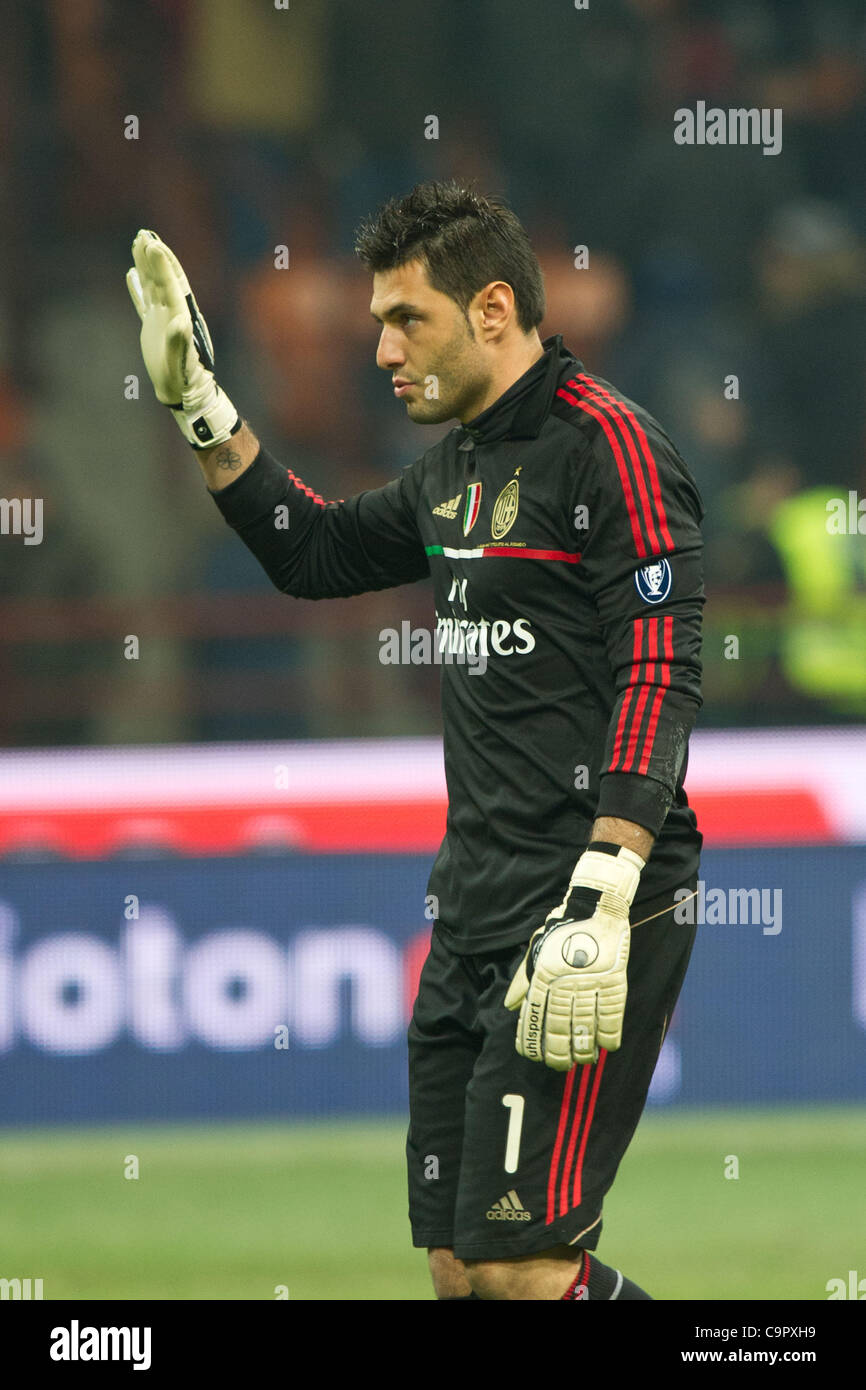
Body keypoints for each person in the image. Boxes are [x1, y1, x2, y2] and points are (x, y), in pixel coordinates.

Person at [127, 180, 704, 1301]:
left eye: (406, 320)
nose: (381, 348)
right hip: (473, 908)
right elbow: (315, 554)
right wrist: (201, 405)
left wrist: (608, 877)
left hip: (583, 897)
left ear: (491, 309)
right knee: (455, 1268)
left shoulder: (609, 448)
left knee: (523, 1269)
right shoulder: (454, 467)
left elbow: (659, 662)